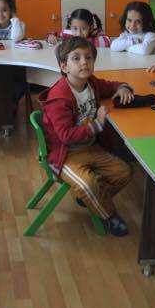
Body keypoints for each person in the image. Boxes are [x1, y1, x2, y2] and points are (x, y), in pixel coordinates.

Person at [39, 36, 135, 236]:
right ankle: (109, 216)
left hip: (90, 147)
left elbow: (110, 86)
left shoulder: (91, 83)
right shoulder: (59, 97)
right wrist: (97, 123)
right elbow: (66, 136)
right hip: (66, 155)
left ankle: (91, 199)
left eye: (88, 57)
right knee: (88, 184)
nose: (84, 62)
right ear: (64, 66)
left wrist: (123, 87)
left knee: (124, 172)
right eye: (76, 58)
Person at [45, 9, 111, 48]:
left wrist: (73, 42)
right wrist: (50, 36)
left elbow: (106, 42)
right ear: (70, 27)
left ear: (91, 28)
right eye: (75, 28)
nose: (79, 33)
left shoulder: (96, 32)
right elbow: (51, 34)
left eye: (83, 29)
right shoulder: (68, 33)